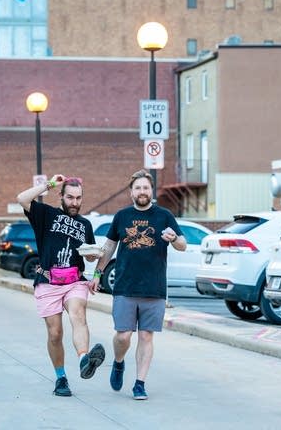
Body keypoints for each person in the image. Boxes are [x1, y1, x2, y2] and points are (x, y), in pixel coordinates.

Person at [90, 169, 186, 401]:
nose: (142, 191)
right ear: (131, 192)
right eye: (138, 188)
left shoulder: (164, 216)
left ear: (151, 191)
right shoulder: (122, 216)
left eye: (146, 188)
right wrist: (96, 273)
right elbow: (109, 247)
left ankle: (140, 383)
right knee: (123, 336)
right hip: (125, 286)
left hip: (154, 288)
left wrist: (174, 239)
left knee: (146, 337)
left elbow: (182, 244)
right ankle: (119, 362)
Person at [16, 174, 105, 398]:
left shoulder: (85, 225)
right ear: (61, 196)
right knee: (55, 333)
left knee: (78, 315)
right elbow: (22, 198)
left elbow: (91, 253)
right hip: (48, 281)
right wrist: (49, 184)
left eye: (78, 198)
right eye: (70, 197)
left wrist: (94, 267)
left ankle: (84, 359)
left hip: (74, 280)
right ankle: (61, 377)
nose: (75, 202)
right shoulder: (46, 214)